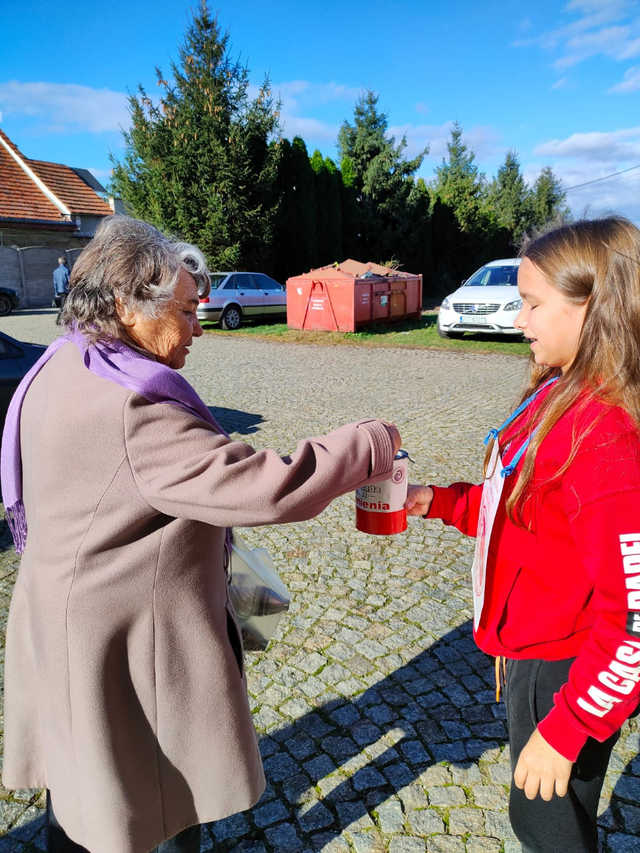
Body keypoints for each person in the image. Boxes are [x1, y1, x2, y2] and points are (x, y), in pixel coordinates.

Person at [0, 214, 401, 853]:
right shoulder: (133, 405)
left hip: (69, 621)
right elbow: (267, 487)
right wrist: (370, 442)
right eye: (186, 311)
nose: (198, 328)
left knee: (83, 788)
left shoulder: (64, 362)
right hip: (126, 643)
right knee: (142, 802)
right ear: (130, 306)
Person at [405, 217, 640, 852]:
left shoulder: (607, 436)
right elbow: (520, 506)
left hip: (565, 669)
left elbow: (635, 618)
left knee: (547, 826)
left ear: (595, 309)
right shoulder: (561, 390)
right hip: (529, 652)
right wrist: (439, 502)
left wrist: (568, 728)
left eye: (533, 304)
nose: (519, 321)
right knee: (542, 819)